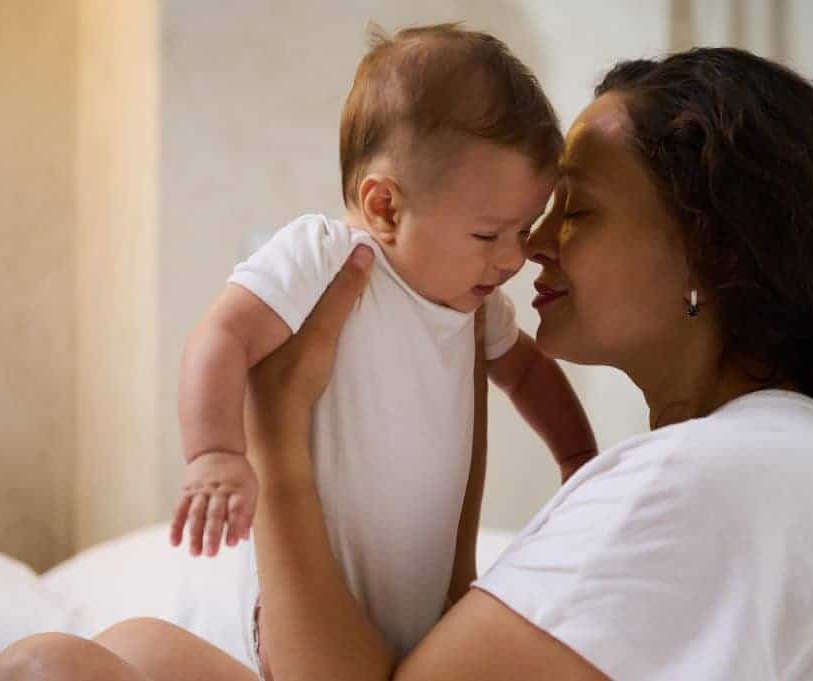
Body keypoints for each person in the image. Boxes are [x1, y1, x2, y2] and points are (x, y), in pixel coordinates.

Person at [0, 46, 813, 681]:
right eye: (517, 220)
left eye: (575, 210)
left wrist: (278, 435)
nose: (533, 248)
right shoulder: (769, 453)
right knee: (132, 644)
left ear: (711, 249)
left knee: (52, 669)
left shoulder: (710, 475)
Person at [170, 22, 595, 670]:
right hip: (303, 606)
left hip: (420, 609)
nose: (515, 257)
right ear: (386, 208)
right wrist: (215, 453)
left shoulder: (479, 305)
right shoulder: (327, 256)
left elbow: (529, 374)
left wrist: (578, 458)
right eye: (488, 234)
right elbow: (221, 335)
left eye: (524, 229)